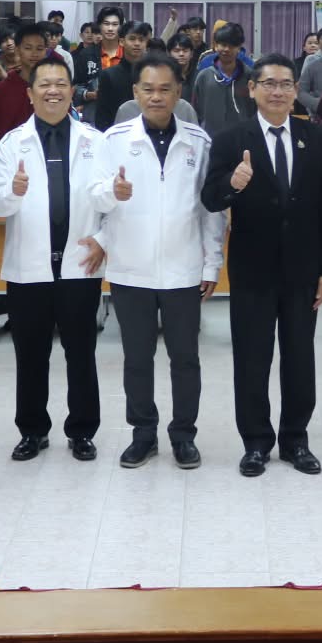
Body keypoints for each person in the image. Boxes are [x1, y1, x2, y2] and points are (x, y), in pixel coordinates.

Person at [202, 54, 322, 476]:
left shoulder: (316, 137)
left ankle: (296, 440)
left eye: (285, 84)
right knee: (252, 358)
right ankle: (256, 442)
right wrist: (232, 184)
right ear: (252, 89)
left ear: (296, 90)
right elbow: (210, 198)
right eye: (269, 84)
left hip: (303, 270)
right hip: (252, 269)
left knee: (299, 357)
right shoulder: (230, 139)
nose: (277, 91)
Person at [91, 53, 225, 471]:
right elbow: (94, 197)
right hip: (131, 269)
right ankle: (143, 434)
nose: (156, 97)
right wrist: (112, 193)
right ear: (135, 92)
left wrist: (211, 264)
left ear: (178, 93)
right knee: (137, 359)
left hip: (183, 269)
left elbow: (210, 210)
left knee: (185, 359)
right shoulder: (113, 140)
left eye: (165, 89)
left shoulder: (198, 142)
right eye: (147, 89)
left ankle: (183, 435)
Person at [0, 55, 107, 461]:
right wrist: (15, 191)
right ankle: (32, 430)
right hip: (29, 269)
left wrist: (104, 240)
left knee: (81, 353)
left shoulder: (96, 141)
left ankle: (82, 431)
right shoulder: (11, 143)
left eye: (60, 84)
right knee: (31, 355)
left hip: (80, 265)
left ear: (72, 91)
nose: (53, 91)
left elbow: (112, 200)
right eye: (44, 84)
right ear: (30, 93)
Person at [192, 20, 254, 134]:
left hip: (242, 137)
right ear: (216, 45)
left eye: (232, 45)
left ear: (239, 47)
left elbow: (254, 109)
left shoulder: (249, 76)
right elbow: (197, 110)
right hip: (210, 138)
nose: (226, 49)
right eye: (223, 44)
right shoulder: (204, 76)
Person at [94, 20, 151, 130]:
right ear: (121, 41)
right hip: (117, 134)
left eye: (141, 40)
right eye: (132, 39)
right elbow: (102, 118)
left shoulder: (152, 75)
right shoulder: (109, 75)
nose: (137, 43)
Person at [0, 24, 34, 150]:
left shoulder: (29, 61)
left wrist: (5, 77)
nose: (9, 43)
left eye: (12, 39)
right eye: (4, 40)